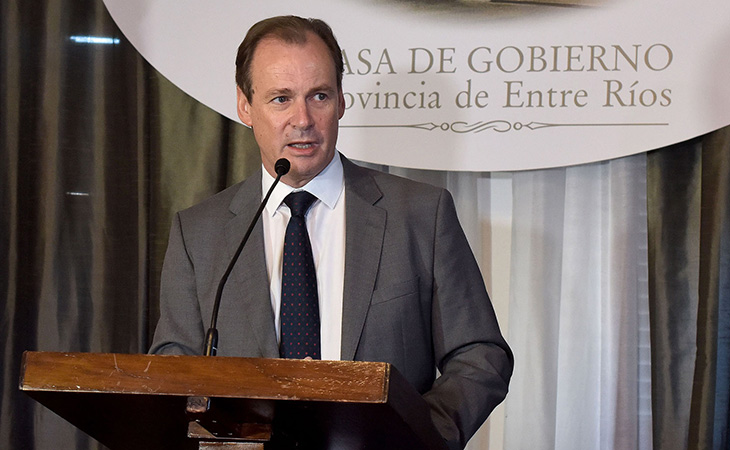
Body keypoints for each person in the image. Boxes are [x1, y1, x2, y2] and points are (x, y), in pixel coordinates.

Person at [150, 15, 513, 449]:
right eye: (281, 99)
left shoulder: (419, 215)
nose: (302, 119)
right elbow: (172, 368)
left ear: (341, 101)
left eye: (318, 96)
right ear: (245, 106)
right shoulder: (199, 234)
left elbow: (479, 353)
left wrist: (420, 434)